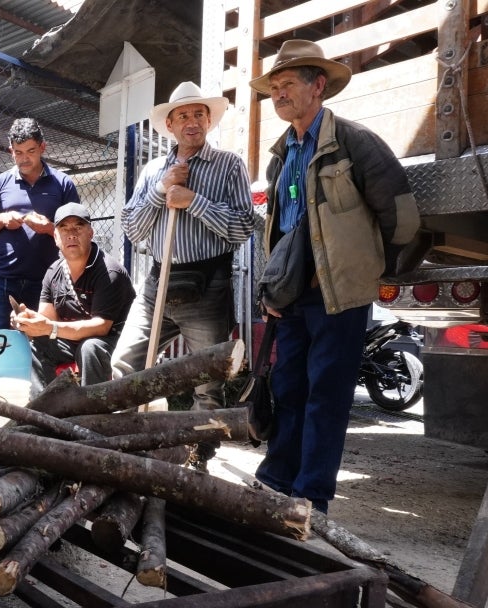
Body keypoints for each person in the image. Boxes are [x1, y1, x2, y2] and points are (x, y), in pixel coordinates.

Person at [248, 40, 419, 513]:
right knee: (288, 389)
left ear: (318, 85)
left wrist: (370, 270)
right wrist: (273, 287)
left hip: (339, 295)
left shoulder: (353, 141)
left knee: (327, 394)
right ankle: (276, 481)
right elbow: (280, 230)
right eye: (274, 88)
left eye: (288, 85)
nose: (279, 94)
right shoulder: (280, 155)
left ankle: (311, 498)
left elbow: (400, 215)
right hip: (294, 295)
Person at [109, 82, 255, 467]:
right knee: (125, 363)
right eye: (183, 116)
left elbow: (243, 227)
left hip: (208, 284)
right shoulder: (154, 170)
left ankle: (197, 457)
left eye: (199, 114)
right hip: (158, 281)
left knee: (209, 380)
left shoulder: (229, 165)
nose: (192, 122)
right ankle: (125, 444)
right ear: (170, 125)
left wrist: (194, 201)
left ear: (208, 120)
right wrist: (161, 191)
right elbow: (132, 228)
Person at [13, 203, 134, 386]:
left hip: (112, 341)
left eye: (78, 227)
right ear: (55, 237)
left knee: (90, 348)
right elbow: (47, 320)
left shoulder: (109, 272)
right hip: (73, 341)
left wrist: (50, 328)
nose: (71, 234)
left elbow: (101, 327)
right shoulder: (53, 272)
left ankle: (93, 410)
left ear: (90, 233)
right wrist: (28, 321)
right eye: (64, 228)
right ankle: (43, 407)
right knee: (39, 343)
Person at [0, 117, 80, 329]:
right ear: (10, 151)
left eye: (30, 151)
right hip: (3, 280)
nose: (24, 159)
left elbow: (77, 233)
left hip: (45, 281)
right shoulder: (1, 182)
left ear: (42, 147)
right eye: (18, 152)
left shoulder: (63, 184)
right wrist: (1, 219)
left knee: (40, 343)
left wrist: (49, 228)